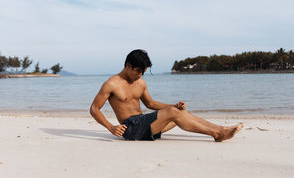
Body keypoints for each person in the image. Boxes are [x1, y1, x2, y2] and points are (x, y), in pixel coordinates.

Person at [90, 49, 243, 142]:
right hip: (131, 128)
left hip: (144, 125)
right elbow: (94, 109)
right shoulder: (112, 84)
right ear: (128, 66)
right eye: (137, 71)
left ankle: (220, 130)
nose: (140, 75)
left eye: (143, 72)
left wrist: (174, 106)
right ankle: (218, 133)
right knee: (173, 113)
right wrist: (111, 128)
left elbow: (150, 103)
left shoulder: (140, 82)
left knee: (179, 112)